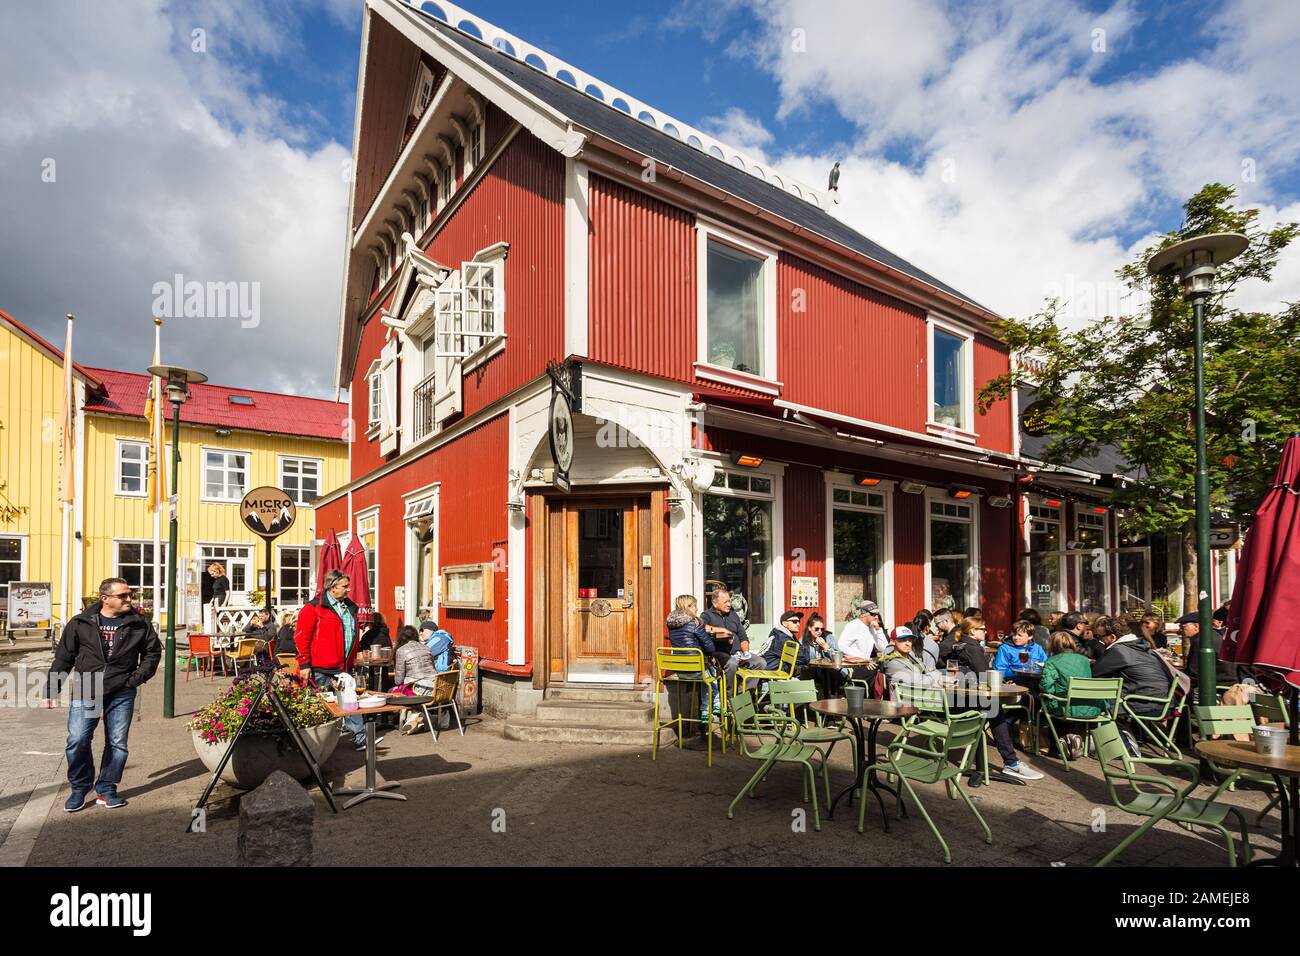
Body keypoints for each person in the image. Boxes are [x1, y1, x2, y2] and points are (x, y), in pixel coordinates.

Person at [46, 578, 162, 811]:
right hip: (87, 688)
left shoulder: (139, 622)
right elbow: (64, 657)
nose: (129, 599)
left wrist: (135, 679)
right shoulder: (81, 622)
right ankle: (79, 788)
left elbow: (152, 652)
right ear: (105, 598)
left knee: (117, 743)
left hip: (122, 690)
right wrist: (52, 689)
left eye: (129, 594)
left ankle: (107, 788)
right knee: (77, 740)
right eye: (123, 595)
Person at [295, 571, 370, 751]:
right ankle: (312, 745)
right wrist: (304, 664)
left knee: (350, 701)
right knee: (318, 706)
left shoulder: (350, 606)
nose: (348, 590)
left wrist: (353, 657)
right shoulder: (314, 608)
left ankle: (360, 739)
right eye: (344, 586)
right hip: (320, 667)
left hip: (343, 666)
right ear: (332, 587)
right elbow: (301, 637)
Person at [1091, 618, 1173, 722]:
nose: (1099, 640)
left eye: (1099, 637)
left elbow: (1094, 672)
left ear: (1112, 637)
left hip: (1146, 704)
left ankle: (1122, 737)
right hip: (1164, 702)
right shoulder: (1140, 646)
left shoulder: (1119, 650)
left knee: (1097, 706)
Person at [1038, 630, 1101, 760]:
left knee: (1046, 701)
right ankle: (1071, 738)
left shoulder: (1052, 661)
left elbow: (1046, 688)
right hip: (1091, 707)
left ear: (1053, 645)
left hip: (1066, 708)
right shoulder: (1084, 660)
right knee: (1064, 701)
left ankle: (1058, 747)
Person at [700, 587, 756, 687]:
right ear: (715, 603)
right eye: (726, 602)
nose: (729, 605)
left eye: (729, 601)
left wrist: (746, 653)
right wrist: (722, 630)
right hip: (719, 653)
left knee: (761, 662)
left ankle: (742, 692)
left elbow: (743, 637)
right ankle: (729, 696)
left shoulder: (733, 615)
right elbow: (702, 626)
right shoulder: (706, 615)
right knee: (732, 664)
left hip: (738, 653)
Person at [392, 625, 439, 734]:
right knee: (404, 689)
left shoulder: (401, 651)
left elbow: (398, 680)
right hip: (435, 688)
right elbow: (433, 668)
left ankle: (413, 716)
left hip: (418, 690)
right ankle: (418, 716)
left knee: (393, 691)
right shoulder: (427, 648)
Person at [1177, 610, 1243, 688]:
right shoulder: (1213, 635)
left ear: (1196, 626)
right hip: (1228, 682)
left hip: (1216, 686)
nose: (1180, 630)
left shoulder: (1201, 641)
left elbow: (1194, 672)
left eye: (1183, 627)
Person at [666, 594, 727, 673]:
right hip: (696, 668)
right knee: (715, 670)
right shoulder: (695, 623)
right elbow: (710, 648)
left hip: (679, 668)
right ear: (688, 607)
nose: (697, 609)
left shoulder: (671, 624)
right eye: (694, 606)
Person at [876, 626, 945, 689]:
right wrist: (935, 675)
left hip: (923, 693)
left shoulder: (911, 656)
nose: (907, 643)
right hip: (909, 699)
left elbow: (925, 671)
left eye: (910, 640)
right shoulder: (892, 663)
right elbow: (915, 682)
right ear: (893, 642)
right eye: (902, 640)